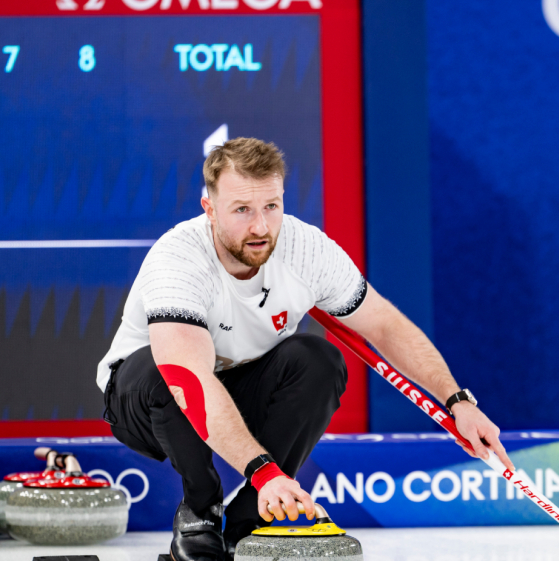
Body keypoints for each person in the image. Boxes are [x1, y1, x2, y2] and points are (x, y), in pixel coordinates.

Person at [96, 137, 513, 561]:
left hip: (236, 394)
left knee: (319, 359)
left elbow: (386, 326)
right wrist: (264, 471)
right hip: (147, 407)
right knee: (167, 370)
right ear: (210, 209)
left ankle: (248, 521)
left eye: (271, 206)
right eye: (242, 210)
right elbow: (188, 378)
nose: (261, 227)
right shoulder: (179, 258)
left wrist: (457, 401)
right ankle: (200, 511)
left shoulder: (305, 248)